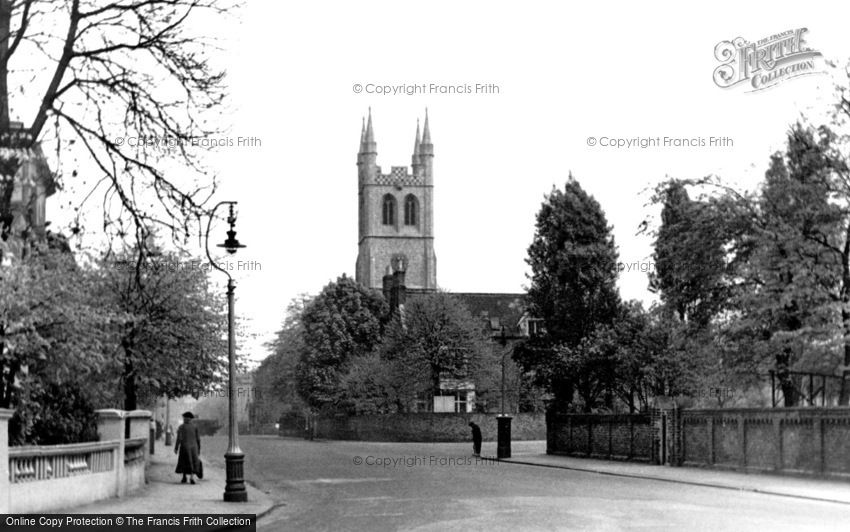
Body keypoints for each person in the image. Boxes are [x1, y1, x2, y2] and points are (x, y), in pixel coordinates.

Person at [174, 411, 201, 484]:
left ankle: (184, 477)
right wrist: (199, 448)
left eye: (184, 418)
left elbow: (179, 438)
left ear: (186, 418)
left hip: (184, 447)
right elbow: (198, 439)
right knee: (193, 461)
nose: (184, 419)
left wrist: (176, 448)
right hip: (194, 447)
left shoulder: (181, 427)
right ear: (191, 419)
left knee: (184, 461)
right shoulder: (195, 427)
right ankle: (192, 477)